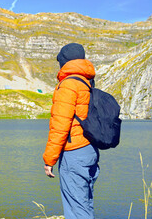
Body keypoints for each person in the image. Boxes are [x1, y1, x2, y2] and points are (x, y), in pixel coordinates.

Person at [43, 43, 100, 219]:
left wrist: (49, 159)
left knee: (76, 208)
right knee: (85, 202)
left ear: (64, 62)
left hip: (74, 152)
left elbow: (60, 125)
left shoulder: (67, 85)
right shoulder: (87, 81)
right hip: (90, 149)